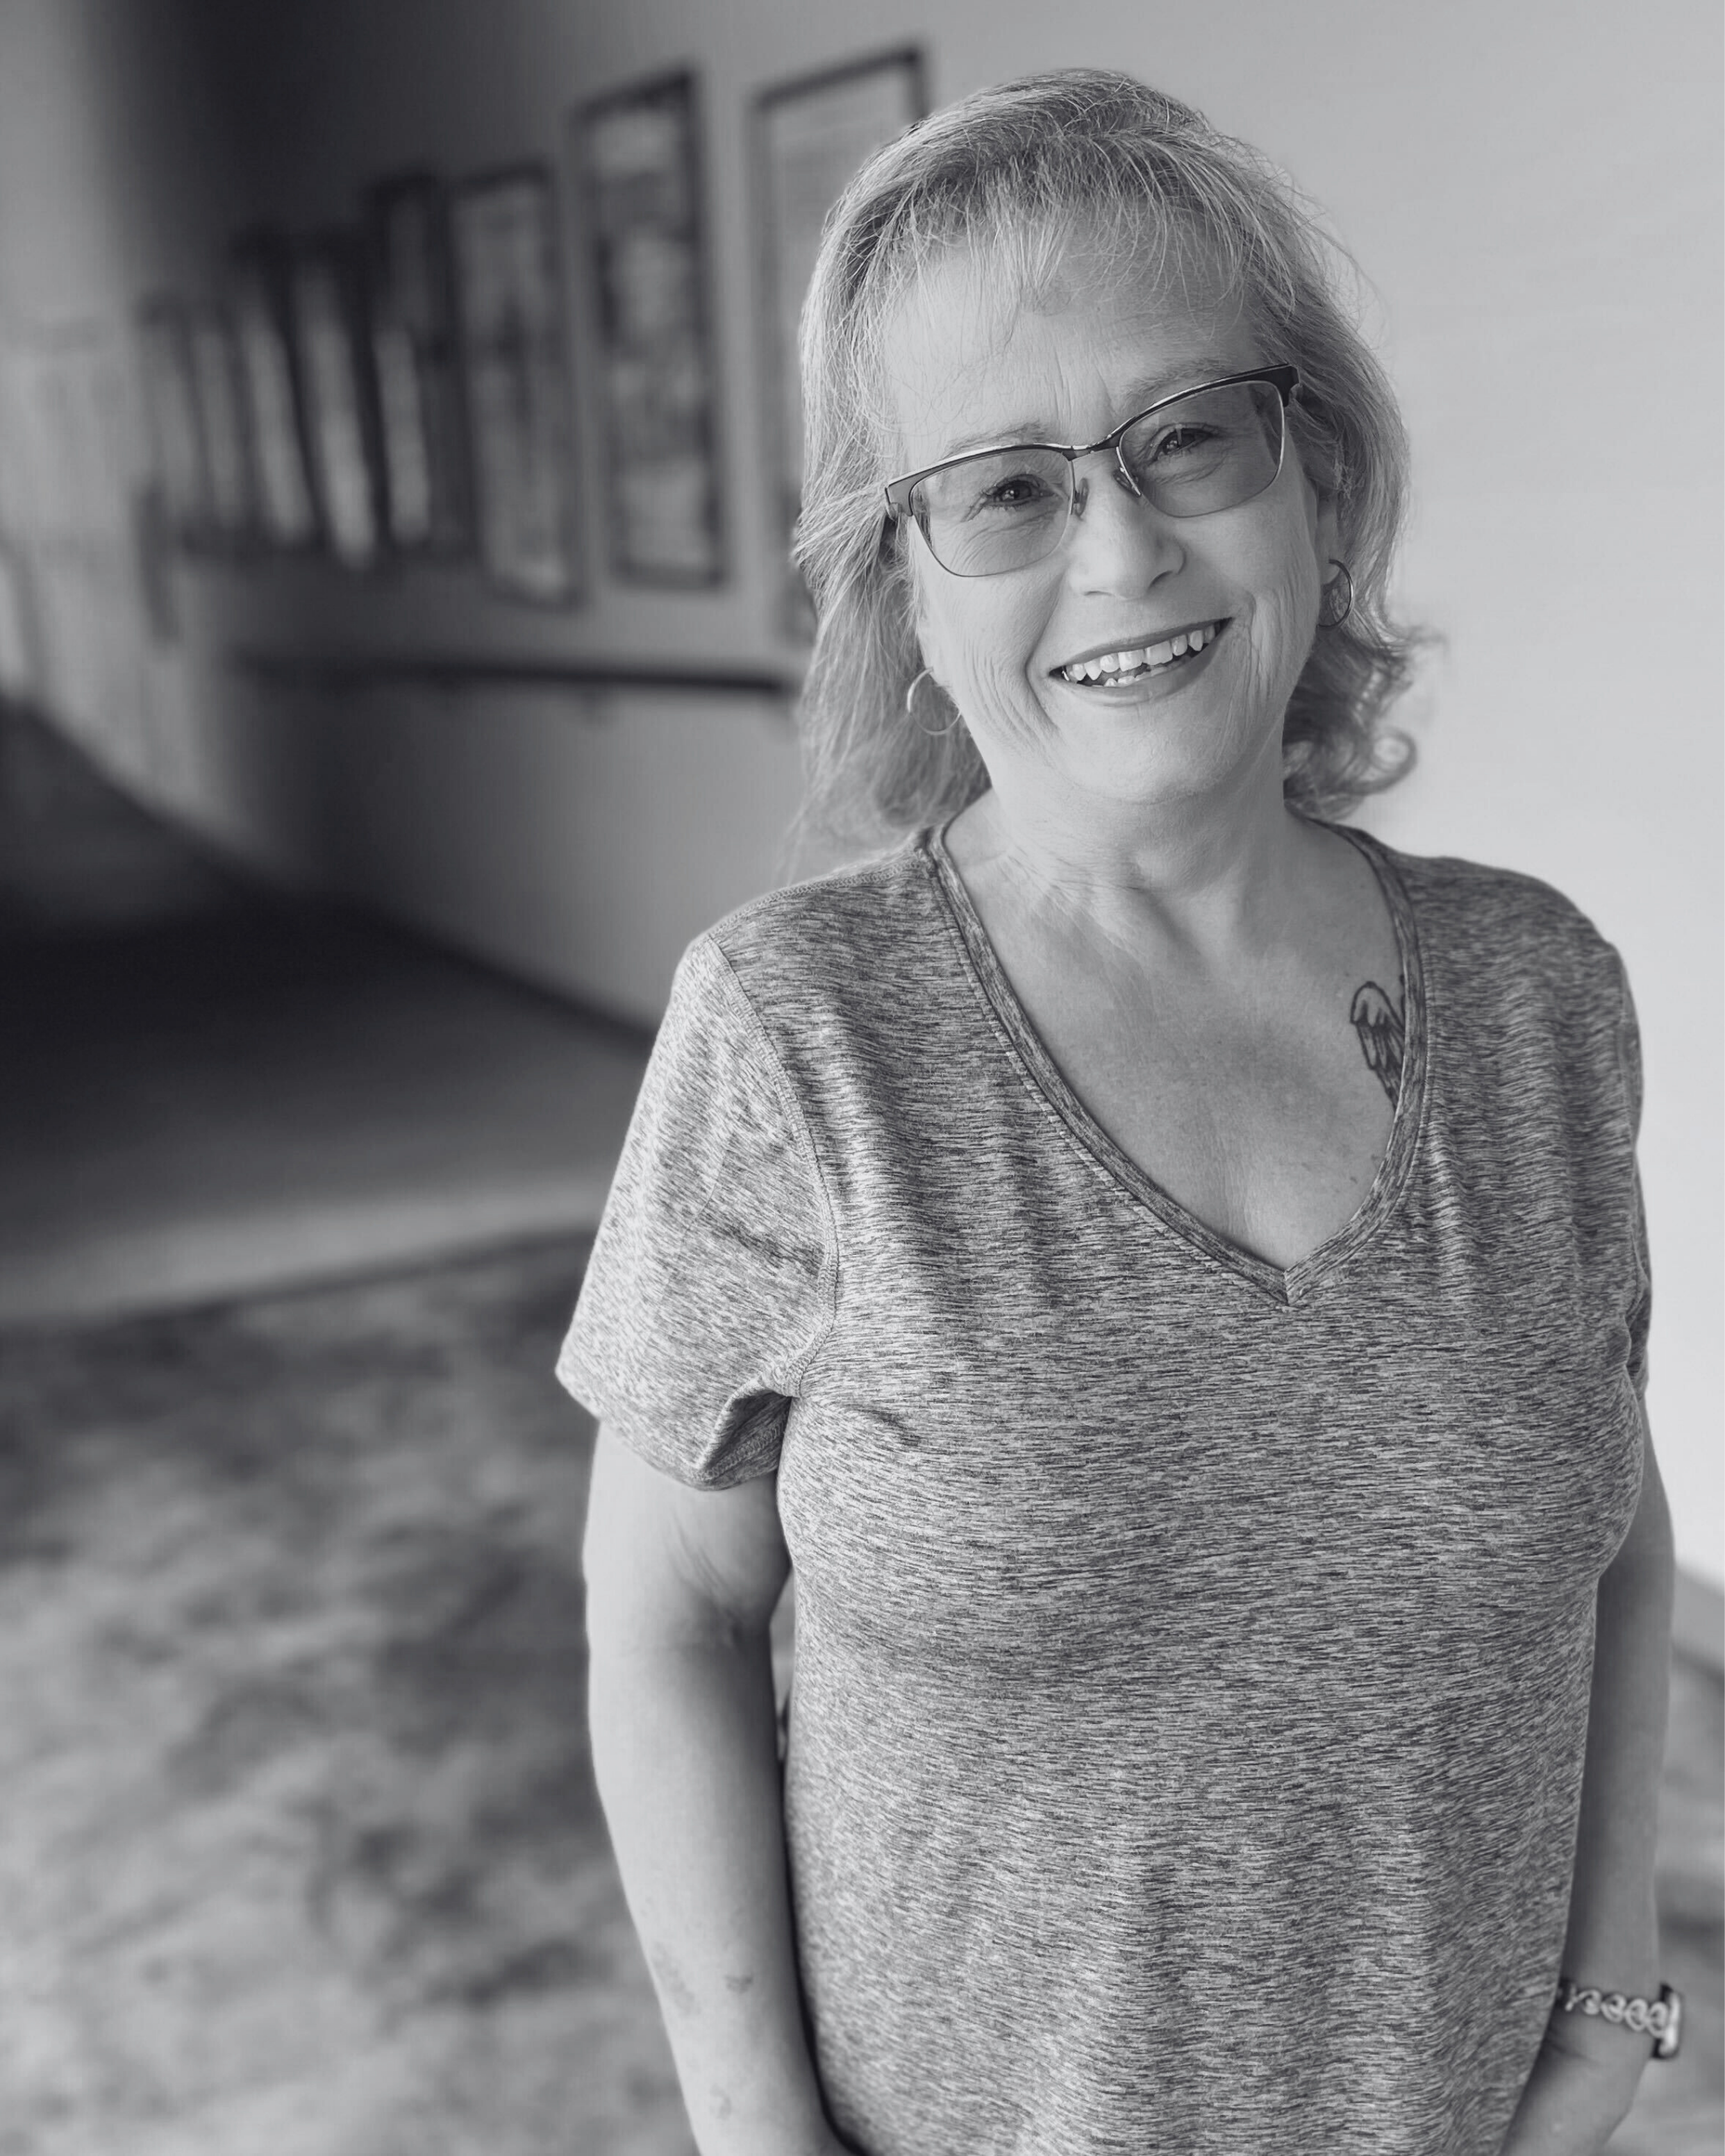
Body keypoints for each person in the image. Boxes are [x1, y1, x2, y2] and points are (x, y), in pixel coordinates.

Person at [569, 69, 1675, 2156]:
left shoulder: (1541, 999)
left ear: (1312, 481)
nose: (1120, 545)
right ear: (896, 574)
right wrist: (750, 2127)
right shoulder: (795, 1039)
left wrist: (1607, 2012)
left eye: (1191, 434)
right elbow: (671, 1615)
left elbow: (1615, 1532)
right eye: (1000, 487)